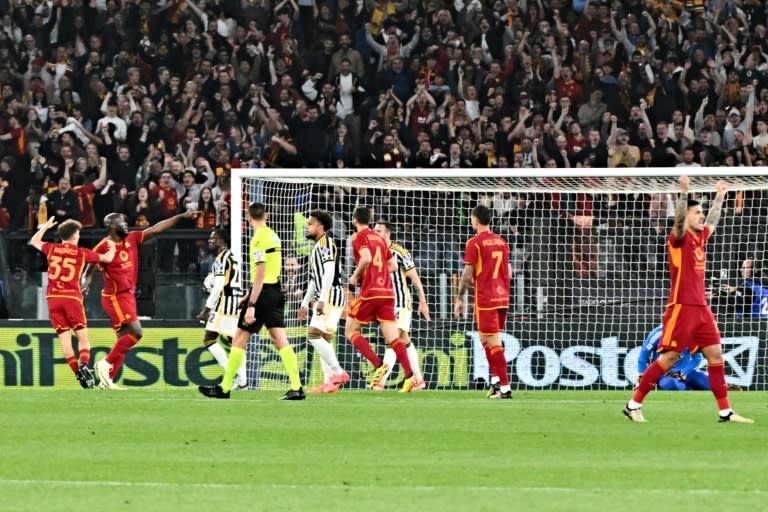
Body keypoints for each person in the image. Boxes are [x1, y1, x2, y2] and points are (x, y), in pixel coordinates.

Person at [623, 177, 752, 423]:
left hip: (701, 308)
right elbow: (680, 220)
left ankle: (725, 411)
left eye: (700, 212)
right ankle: (634, 404)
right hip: (681, 307)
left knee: (715, 356)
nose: (701, 216)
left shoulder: (701, 238)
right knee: (669, 358)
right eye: (697, 212)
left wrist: (720, 195)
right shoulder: (678, 240)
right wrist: (684, 192)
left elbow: (713, 220)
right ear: (686, 216)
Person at [83, 210, 200, 389]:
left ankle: (107, 381)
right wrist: (85, 281)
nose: (126, 224)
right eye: (122, 221)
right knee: (137, 332)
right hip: (115, 297)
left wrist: (180, 217)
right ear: (112, 226)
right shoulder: (104, 246)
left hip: (127, 296)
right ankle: (104, 364)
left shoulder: (132, 238)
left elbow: (156, 229)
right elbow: (89, 266)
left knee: (123, 339)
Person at [199, 202, 304, 400]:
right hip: (275, 291)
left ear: (248, 217)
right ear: (267, 216)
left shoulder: (257, 240)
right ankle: (297, 387)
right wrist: (248, 296)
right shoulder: (273, 235)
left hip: (262, 294)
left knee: (239, 339)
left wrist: (252, 304)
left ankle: (225, 388)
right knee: (280, 340)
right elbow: (271, 271)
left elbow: (261, 272)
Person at [29, 217, 115, 388]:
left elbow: (34, 241)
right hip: (72, 298)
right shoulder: (81, 252)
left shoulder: (52, 249)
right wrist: (112, 246)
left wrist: (45, 227)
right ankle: (84, 366)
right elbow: (107, 259)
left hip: (53, 299)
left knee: (65, 340)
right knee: (82, 337)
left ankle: (78, 374)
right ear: (75, 235)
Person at [345, 207, 417, 392]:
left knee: (351, 331)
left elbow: (367, 258)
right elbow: (393, 266)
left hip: (371, 293)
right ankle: (410, 377)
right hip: (387, 292)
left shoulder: (358, 237)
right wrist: (377, 271)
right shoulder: (380, 239)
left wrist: (355, 276)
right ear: (369, 221)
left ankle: (379, 366)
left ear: (354, 220)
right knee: (393, 338)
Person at [454, 205, 513, 399]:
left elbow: (466, 274)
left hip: (486, 298)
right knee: (485, 339)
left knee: (494, 342)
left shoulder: (474, 243)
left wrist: (458, 297)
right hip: (502, 297)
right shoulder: (502, 242)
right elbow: (509, 272)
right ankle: (496, 382)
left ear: (475, 220)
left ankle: (505, 389)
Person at [371, 220, 429, 391]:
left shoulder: (399, 252)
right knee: (404, 340)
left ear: (388, 234)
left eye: (379, 231)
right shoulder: (374, 252)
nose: (375, 233)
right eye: (374, 230)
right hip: (385, 303)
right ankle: (418, 379)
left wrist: (423, 301)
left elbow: (415, 278)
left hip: (401, 302)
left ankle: (380, 380)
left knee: (392, 339)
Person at [298, 210, 349, 394]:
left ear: (320, 226)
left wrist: (320, 300)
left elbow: (329, 272)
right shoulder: (317, 246)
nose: (307, 226)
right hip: (326, 295)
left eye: (310, 223)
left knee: (314, 335)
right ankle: (330, 384)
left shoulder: (326, 243)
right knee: (324, 339)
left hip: (330, 295)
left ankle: (338, 372)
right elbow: (314, 279)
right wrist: (304, 303)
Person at [197, 229, 247, 391]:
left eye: (214, 238)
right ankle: (242, 381)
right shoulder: (232, 257)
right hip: (236, 303)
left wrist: (207, 309)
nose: (210, 240)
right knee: (235, 342)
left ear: (223, 241)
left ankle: (233, 375)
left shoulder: (221, 258)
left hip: (224, 304)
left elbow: (218, 286)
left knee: (209, 339)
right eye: (210, 238)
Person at [637, 325, 711, 391]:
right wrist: (642, 377)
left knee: (710, 385)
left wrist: (682, 372)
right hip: (664, 374)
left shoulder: (690, 333)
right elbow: (642, 357)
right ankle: (687, 390)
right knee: (670, 385)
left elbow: (697, 358)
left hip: (686, 372)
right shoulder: (658, 334)